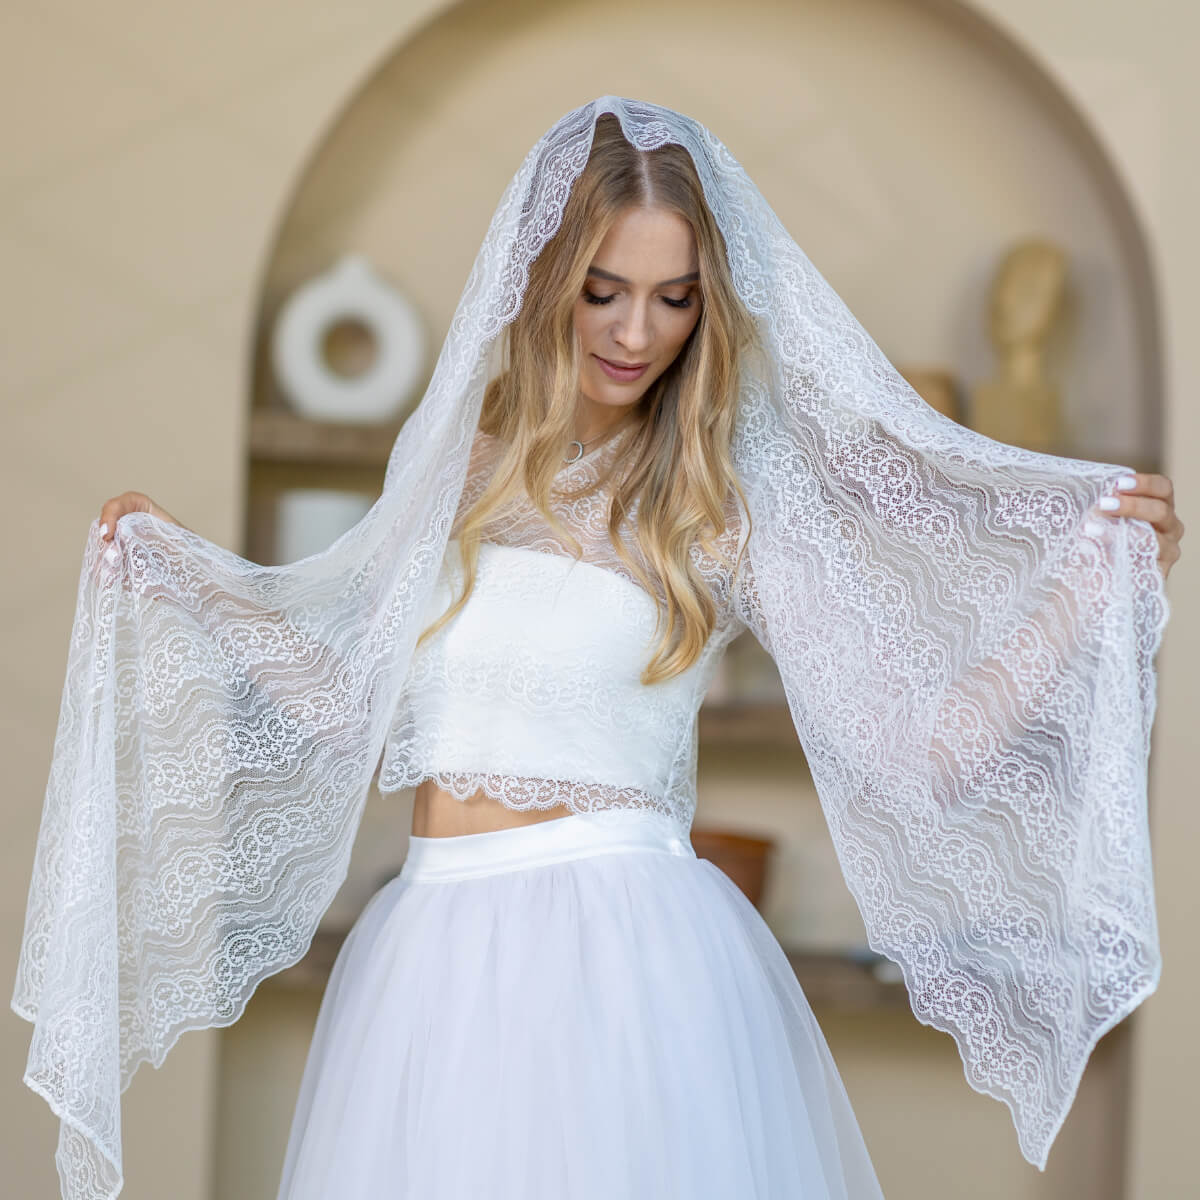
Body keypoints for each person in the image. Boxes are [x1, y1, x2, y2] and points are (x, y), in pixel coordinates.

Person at [15, 98, 1182, 1200]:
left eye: (676, 299)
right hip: (427, 958)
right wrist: (186, 580)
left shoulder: (715, 505)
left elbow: (923, 752)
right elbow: (341, 705)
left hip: (626, 962)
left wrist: (1092, 593)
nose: (638, 333)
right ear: (542, 280)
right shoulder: (453, 470)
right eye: (605, 290)